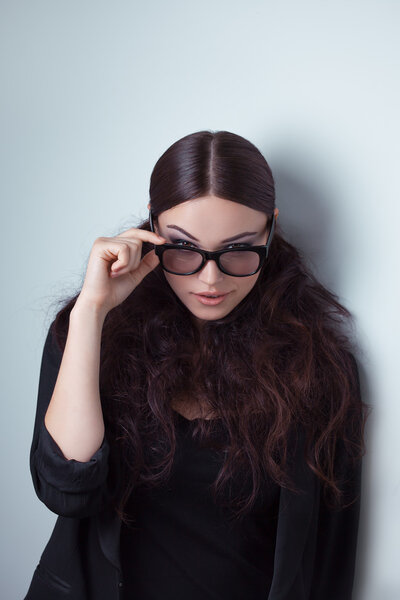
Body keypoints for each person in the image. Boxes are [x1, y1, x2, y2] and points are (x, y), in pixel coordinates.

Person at [24, 130, 369, 600]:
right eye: (183, 248)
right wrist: (91, 312)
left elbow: (332, 554)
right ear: (151, 227)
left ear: (272, 230)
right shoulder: (91, 332)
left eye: (238, 250)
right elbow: (68, 488)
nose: (211, 279)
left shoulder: (319, 367)